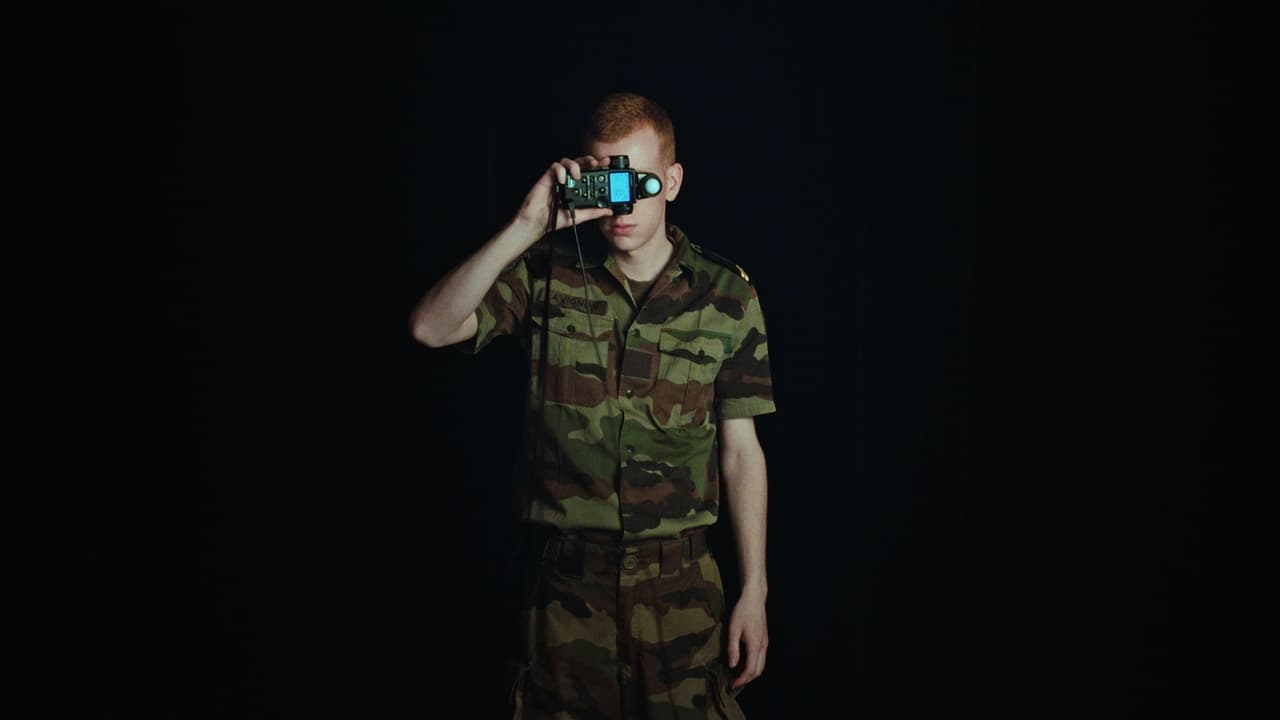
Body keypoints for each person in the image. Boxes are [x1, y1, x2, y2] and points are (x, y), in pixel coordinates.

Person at [410, 92, 774, 719]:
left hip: (682, 598)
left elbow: (741, 453)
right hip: (563, 600)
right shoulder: (545, 274)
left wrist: (755, 591)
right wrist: (527, 225)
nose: (621, 205)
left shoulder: (727, 299)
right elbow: (430, 328)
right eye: (607, 182)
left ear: (672, 182)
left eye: (638, 181)